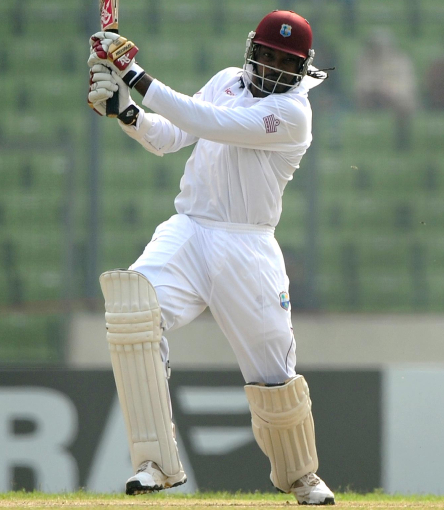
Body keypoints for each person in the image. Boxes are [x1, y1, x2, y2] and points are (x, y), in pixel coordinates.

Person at [86, 10, 335, 505]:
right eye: (263, 54)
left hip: (249, 245)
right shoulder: (226, 80)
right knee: (133, 312)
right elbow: (171, 136)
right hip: (189, 230)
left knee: (273, 375)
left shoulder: (293, 113)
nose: (269, 66)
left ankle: (301, 475)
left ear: (303, 67)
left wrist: (133, 74)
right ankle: (154, 463)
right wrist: (126, 112)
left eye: (283, 60)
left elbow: (209, 123)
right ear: (250, 49)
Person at [354, 28, 418, 150]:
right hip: (372, 101)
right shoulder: (364, 61)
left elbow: (407, 88)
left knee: (405, 107)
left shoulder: (401, 61)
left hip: (397, 102)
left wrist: (389, 93)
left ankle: (401, 144)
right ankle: (367, 144)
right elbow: (361, 87)